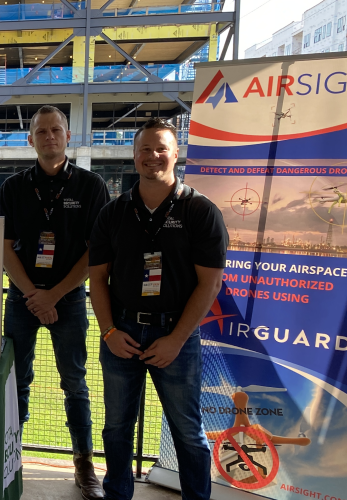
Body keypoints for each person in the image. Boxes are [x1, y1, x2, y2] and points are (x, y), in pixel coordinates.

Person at [89, 118, 227, 500]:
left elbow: (210, 283)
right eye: (145, 149)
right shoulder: (113, 213)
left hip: (175, 335)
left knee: (188, 431)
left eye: (161, 148)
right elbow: (97, 279)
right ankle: (117, 494)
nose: (153, 156)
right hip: (122, 333)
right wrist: (109, 332)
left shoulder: (200, 210)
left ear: (176, 153)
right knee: (116, 427)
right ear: (135, 156)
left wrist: (176, 340)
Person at [0, 105, 110, 499]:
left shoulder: (91, 186)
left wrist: (54, 295)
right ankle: (11, 458)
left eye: (55, 129)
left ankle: (84, 465)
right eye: (41, 131)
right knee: (16, 382)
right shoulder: (13, 187)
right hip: (22, 298)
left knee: (75, 383)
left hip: (69, 299)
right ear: (30, 139)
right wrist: (33, 295)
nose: (49, 136)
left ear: (68, 136)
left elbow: (96, 251)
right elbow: (3, 247)